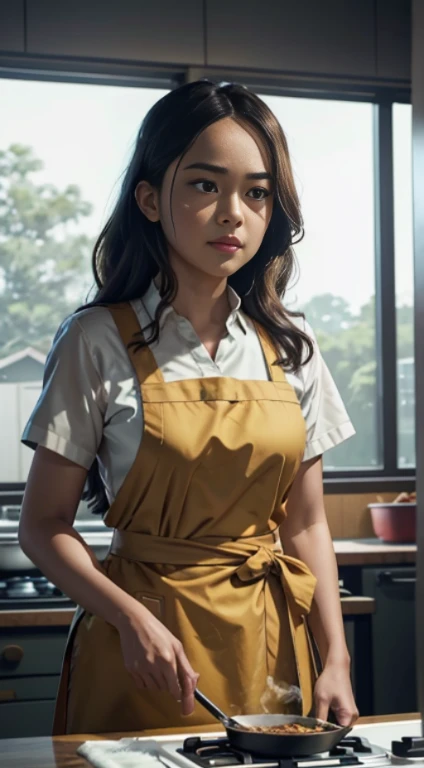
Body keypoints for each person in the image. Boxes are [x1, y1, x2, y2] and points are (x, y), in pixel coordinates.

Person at [19, 79, 359, 736]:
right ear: (149, 198)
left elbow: (307, 526)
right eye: (205, 185)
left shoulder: (292, 344)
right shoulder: (95, 340)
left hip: (271, 644)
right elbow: (45, 525)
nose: (234, 213)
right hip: (141, 650)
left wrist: (336, 658)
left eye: (256, 192)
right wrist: (128, 617)